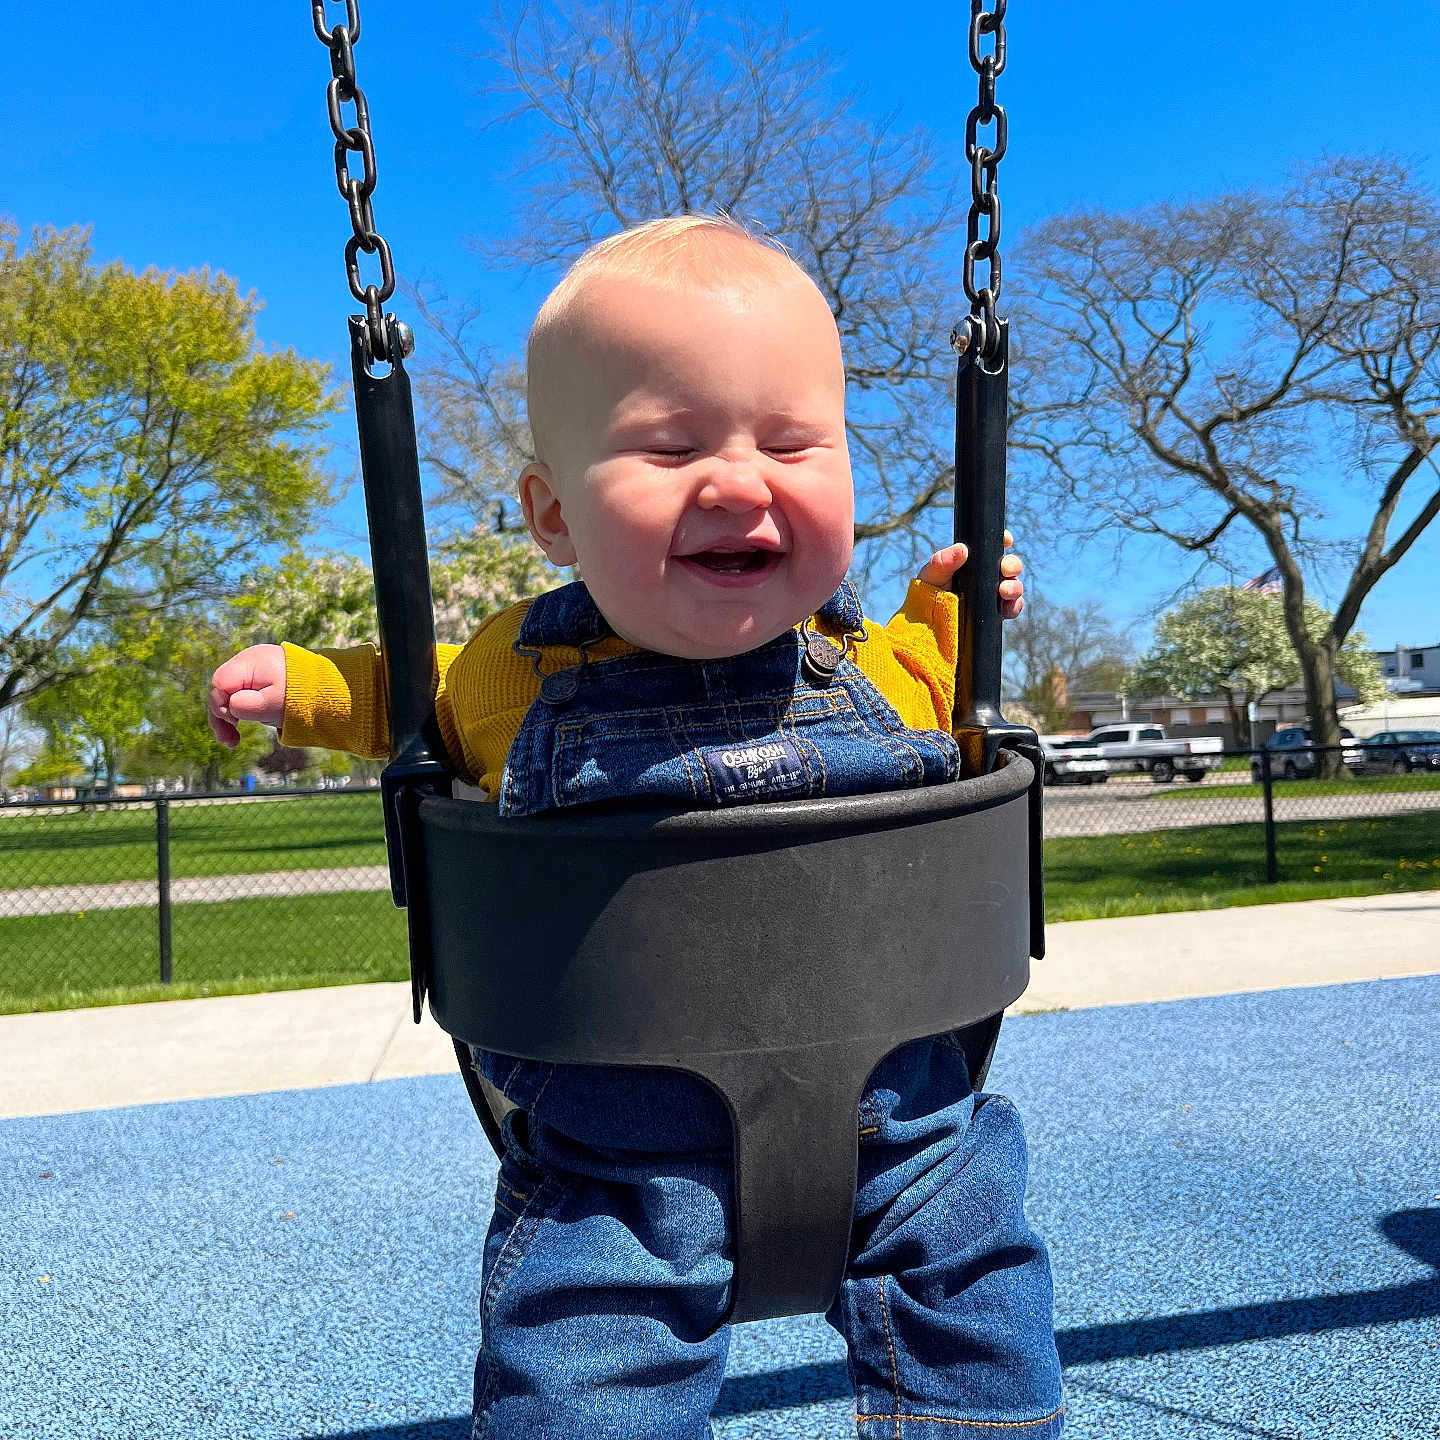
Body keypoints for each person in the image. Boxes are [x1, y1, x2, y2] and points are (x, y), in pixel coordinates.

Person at [209, 215, 1063, 1439]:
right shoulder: (511, 675)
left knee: (983, 1324)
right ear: (553, 516)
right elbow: (409, 695)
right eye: (670, 448)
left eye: (792, 443)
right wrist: (301, 685)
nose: (738, 482)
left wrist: (952, 606)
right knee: (583, 1380)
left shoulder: (873, 662)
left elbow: (941, 672)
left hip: (911, 1128)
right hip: (618, 1157)